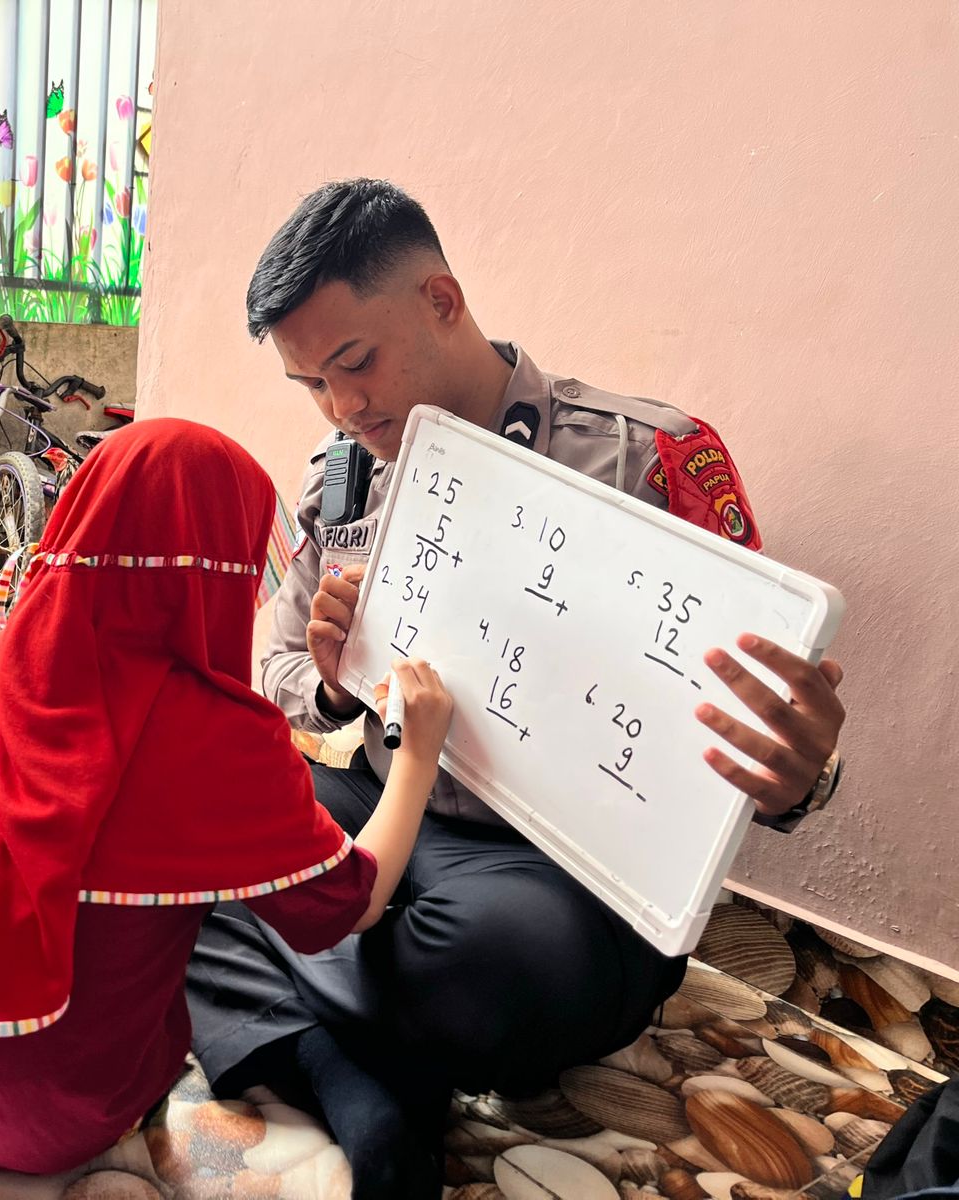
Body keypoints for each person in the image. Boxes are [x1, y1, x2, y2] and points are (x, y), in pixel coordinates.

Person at [184, 179, 849, 1198]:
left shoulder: (644, 458)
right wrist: (329, 680)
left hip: (558, 883)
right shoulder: (344, 471)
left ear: (441, 300)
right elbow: (274, 668)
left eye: (354, 362)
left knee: (494, 972)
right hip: (390, 808)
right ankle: (361, 1079)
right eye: (309, 383)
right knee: (181, 816)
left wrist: (800, 777)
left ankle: (307, 1018)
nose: (342, 406)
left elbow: (748, 727)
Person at [0, 419, 455, 1175]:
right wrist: (415, 754)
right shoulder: (218, 733)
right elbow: (351, 904)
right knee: (194, 932)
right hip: (62, 1114)